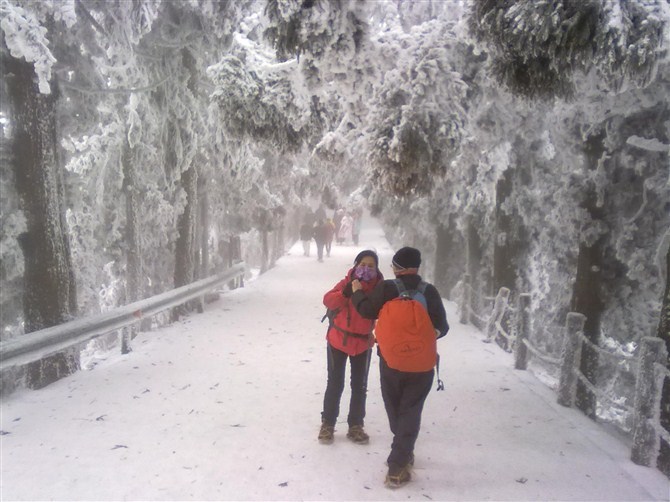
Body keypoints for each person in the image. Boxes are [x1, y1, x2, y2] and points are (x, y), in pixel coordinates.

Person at [351, 246, 448, 488]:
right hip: (422, 363)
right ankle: (403, 451)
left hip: (391, 360)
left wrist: (356, 291)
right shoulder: (430, 291)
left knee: (395, 407)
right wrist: (424, 338)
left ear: (396, 267)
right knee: (411, 410)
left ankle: (397, 464)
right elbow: (443, 327)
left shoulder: (388, 288)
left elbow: (365, 310)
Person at [319, 250, 384, 445]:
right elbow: (328, 299)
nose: (366, 269)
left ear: (377, 269)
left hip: (363, 343)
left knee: (359, 386)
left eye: (371, 266)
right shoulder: (346, 282)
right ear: (356, 265)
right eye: (362, 264)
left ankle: (356, 425)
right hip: (338, 339)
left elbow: (384, 312)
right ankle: (328, 424)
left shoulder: (380, 288)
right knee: (335, 383)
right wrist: (346, 292)